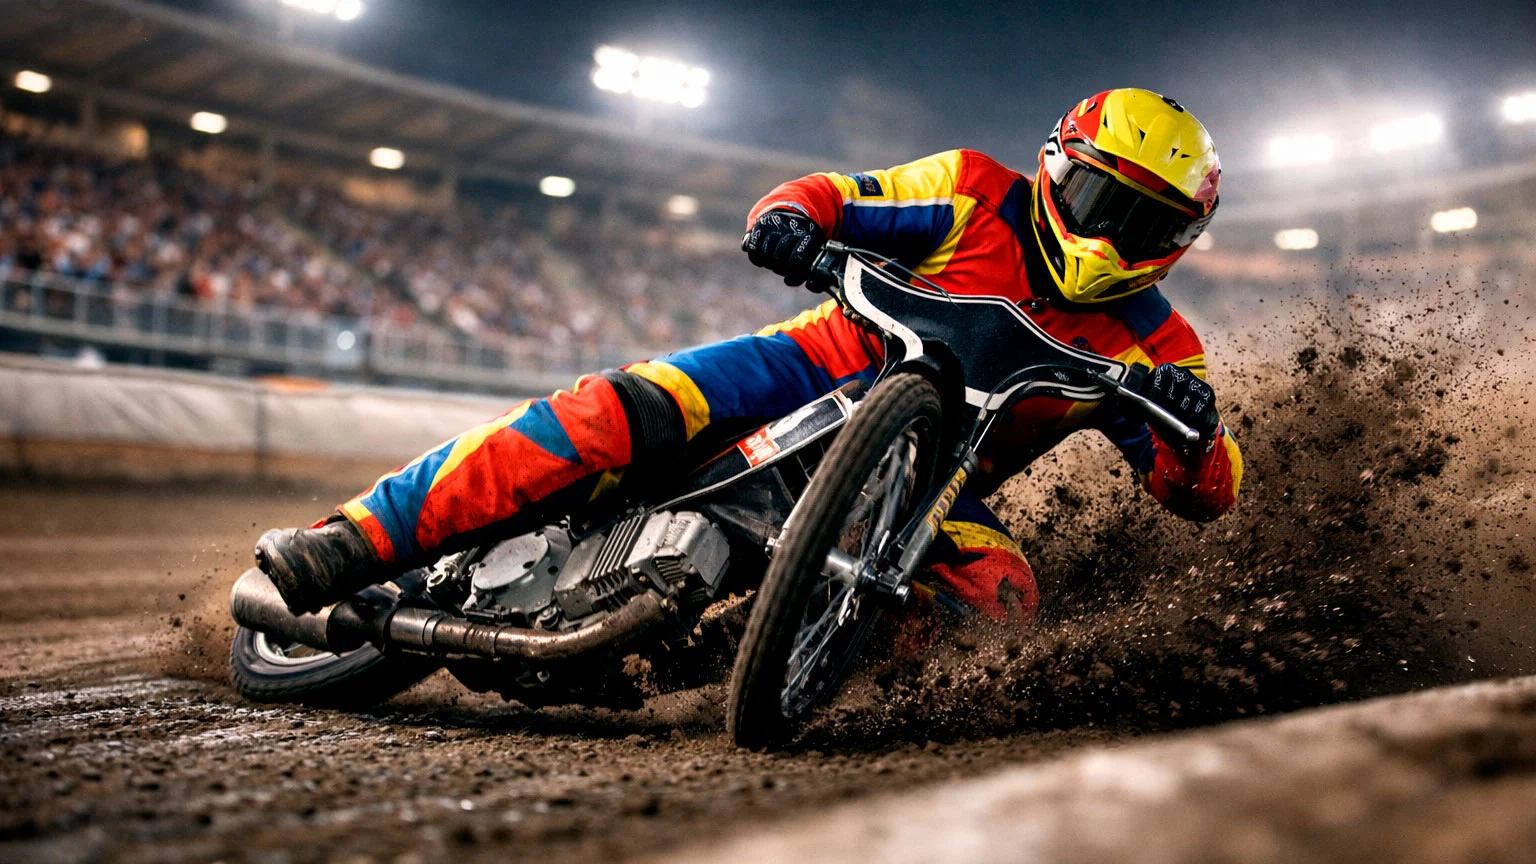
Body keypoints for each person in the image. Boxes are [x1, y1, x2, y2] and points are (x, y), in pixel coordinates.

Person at [256, 88, 1243, 632]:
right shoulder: (974, 191)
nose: (1111, 235)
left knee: (1005, 599)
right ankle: (349, 542)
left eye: (1144, 221)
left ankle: (783, 656)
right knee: (604, 416)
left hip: (928, 490)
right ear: (1055, 166)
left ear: (1179, 238)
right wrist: (788, 221)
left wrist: (1195, 434)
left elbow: (1206, 491)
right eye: (1098, 197)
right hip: (808, 364)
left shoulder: (1163, 344)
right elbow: (839, 193)